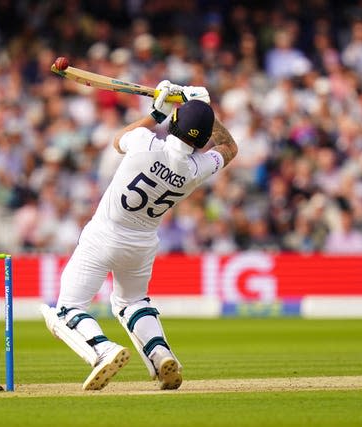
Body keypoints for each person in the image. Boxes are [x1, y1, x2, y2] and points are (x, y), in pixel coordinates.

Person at [40, 80, 238, 391]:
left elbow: (118, 140)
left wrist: (156, 113)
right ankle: (160, 355)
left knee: (67, 309)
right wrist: (204, 112)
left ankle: (103, 349)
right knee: (132, 302)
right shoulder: (196, 168)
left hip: (104, 235)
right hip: (142, 244)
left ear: (173, 122)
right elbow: (229, 147)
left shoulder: (145, 142)